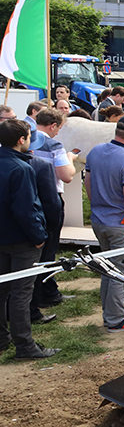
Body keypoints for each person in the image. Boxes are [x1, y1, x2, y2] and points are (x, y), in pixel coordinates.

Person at [0, 119, 59, 359]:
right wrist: (39, 238)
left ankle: (2, 339)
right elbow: (26, 209)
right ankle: (24, 345)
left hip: (3, 239)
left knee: (2, 292)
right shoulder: (22, 168)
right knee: (21, 294)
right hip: (22, 241)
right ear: (21, 140)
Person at [85, 115, 124, 332]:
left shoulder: (96, 151)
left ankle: (109, 314)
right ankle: (115, 319)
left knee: (108, 270)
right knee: (121, 272)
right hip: (122, 223)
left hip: (99, 220)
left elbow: (88, 184)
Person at [29, 109, 77, 309]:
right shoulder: (53, 144)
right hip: (49, 198)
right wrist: (71, 160)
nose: (58, 133)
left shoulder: (24, 139)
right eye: (58, 128)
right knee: (48, 250)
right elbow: (66, 175)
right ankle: (45, 293)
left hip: (27, 198)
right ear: (53, 126)